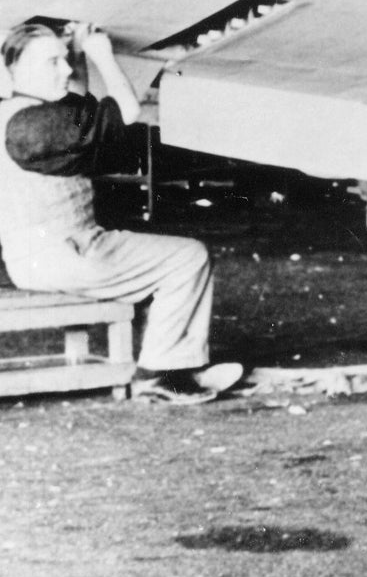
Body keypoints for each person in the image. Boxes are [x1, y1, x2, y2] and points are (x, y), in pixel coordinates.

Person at [0, 21, 239, 405]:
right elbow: (125, 113)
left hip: (45, 253)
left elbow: (79, 112)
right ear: (16, 69)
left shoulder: (20, 116)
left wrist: (75, 58)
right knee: (188, 258)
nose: (63, 70)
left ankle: (174, 364)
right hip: (66, 254)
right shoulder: (30, 126)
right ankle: (161, 374)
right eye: (52, 63)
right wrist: (102, 56)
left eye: (63, 61)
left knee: (177, 257)